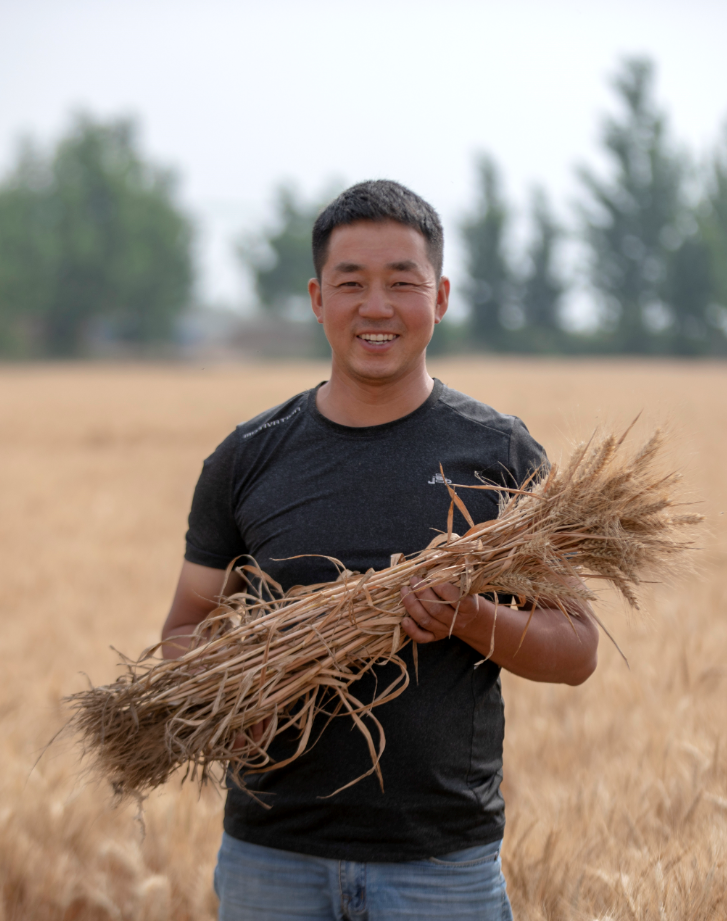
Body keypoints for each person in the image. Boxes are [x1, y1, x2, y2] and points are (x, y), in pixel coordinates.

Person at [160, 179, 600, 921]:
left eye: (403, 283)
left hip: (440, 866)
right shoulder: (247, 458)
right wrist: (222, 699)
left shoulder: (501, 454)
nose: (376, 307)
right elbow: (182, 632)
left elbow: (578, 648)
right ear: (316, 298)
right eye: (351, 283)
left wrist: (468, 617)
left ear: (442, 297)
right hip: (272, 858)